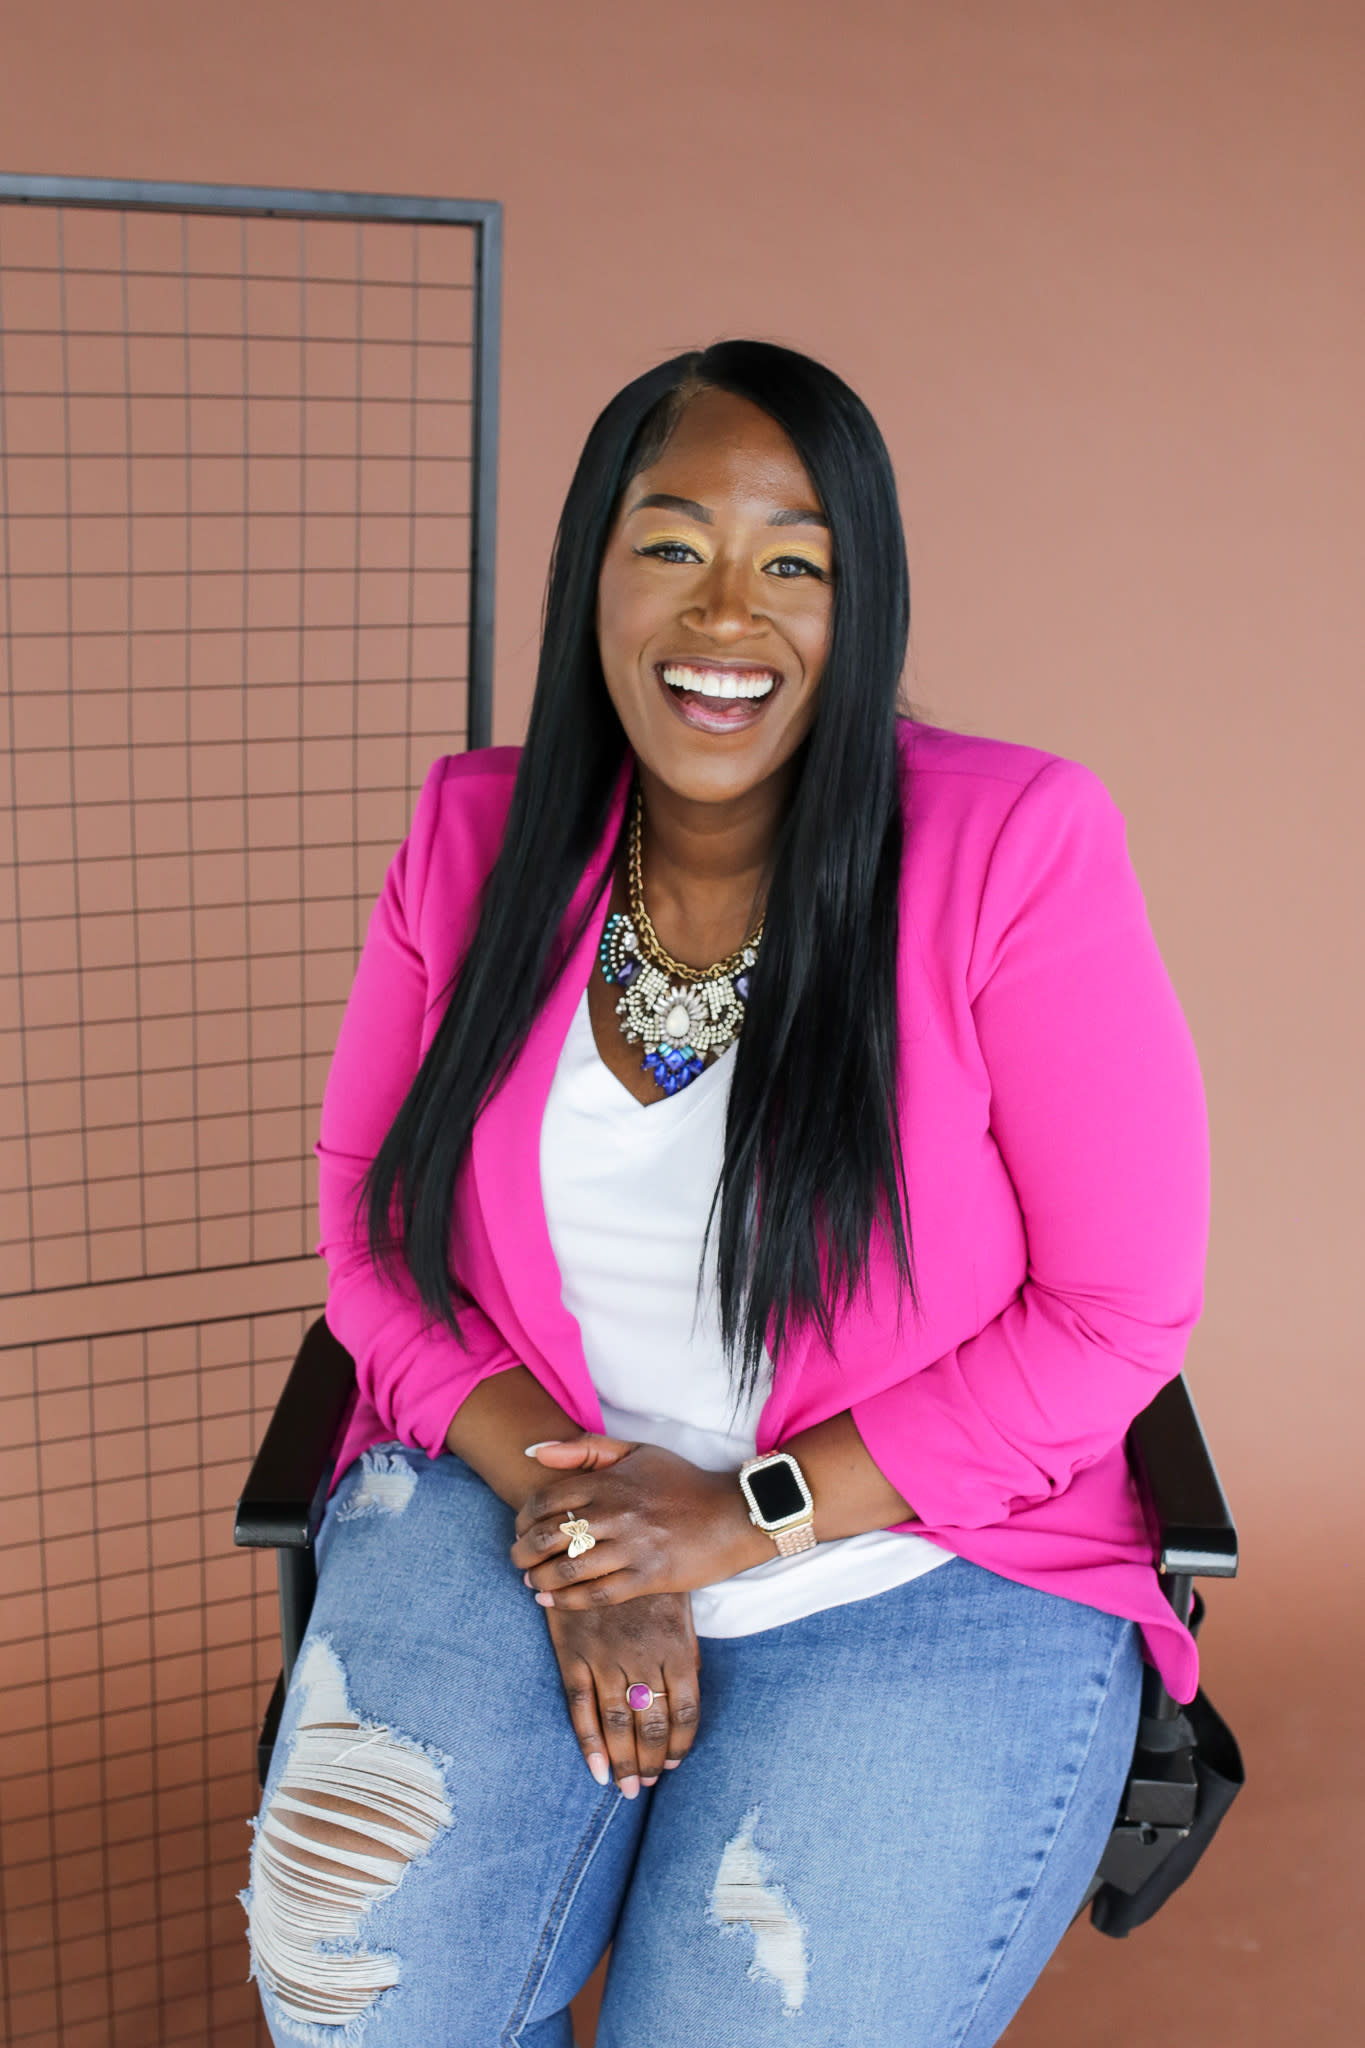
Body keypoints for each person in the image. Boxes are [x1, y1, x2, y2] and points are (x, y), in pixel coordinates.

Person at [243, 341, 1209, 2047]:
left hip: (919, 1552)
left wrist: (732, 1519)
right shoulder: (472, 840)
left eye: (794, 566)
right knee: (362, 1997)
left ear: (864, 603)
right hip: (518, 1504)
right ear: (594, 576)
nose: (723, 616)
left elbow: (1114, 1313)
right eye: (674, 545)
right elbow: (373, 1240)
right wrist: (584, 1527)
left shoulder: (1012, 845)